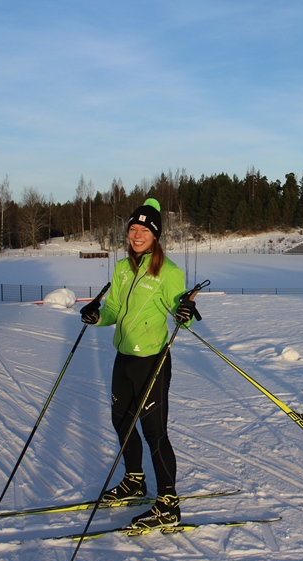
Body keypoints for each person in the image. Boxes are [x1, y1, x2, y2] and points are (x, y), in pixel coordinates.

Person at [79, 198, 201, 530]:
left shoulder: (169, 272)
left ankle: (168, 503)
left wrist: (186, 313)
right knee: (122, 421)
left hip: (152, 362)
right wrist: (97, 316)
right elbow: (115, 311)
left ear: (155, 235)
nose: (136, 235)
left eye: (143, 230)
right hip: (124, 359)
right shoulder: (121, 269)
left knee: (155, 433)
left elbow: (182, 313)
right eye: (132, 228)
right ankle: (135, 481)